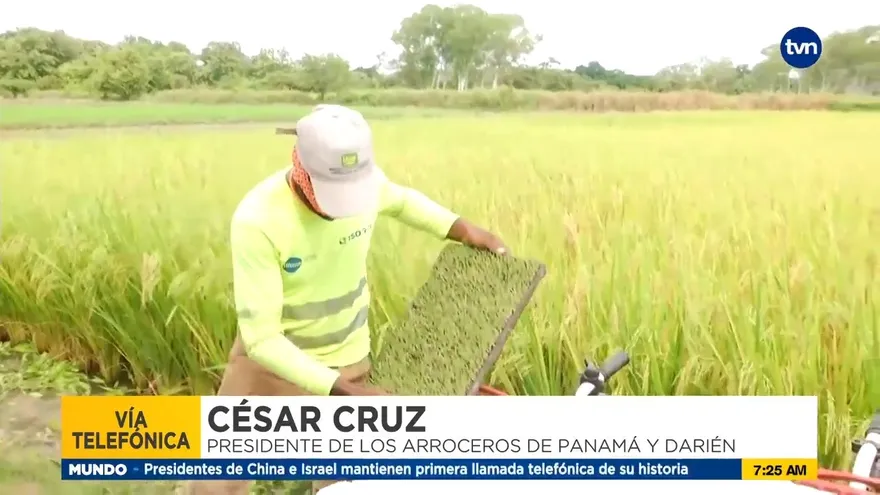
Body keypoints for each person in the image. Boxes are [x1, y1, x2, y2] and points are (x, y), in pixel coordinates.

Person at [184, 104, 508, 495]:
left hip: (349, 356)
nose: (344, 208)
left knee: (348, 480)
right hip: (270, 367)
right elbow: (263, 340)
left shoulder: (366, 188)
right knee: (216, 481)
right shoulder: (259, 219)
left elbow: (403, 202)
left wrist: (462, 229)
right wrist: (343, 390)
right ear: (300, 166)